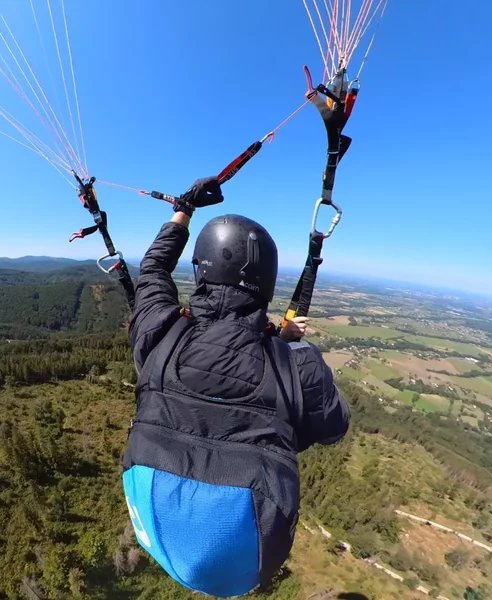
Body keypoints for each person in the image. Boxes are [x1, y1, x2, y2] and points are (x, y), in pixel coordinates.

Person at [121, 176, 350, 598]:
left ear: (201, 269)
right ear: (265, 283)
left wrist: (184, 209)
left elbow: (152, 269)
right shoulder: (298, 368)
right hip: (249, 553)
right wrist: (285, 350)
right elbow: (335, 427)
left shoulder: (157, 331)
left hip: (158, 522)